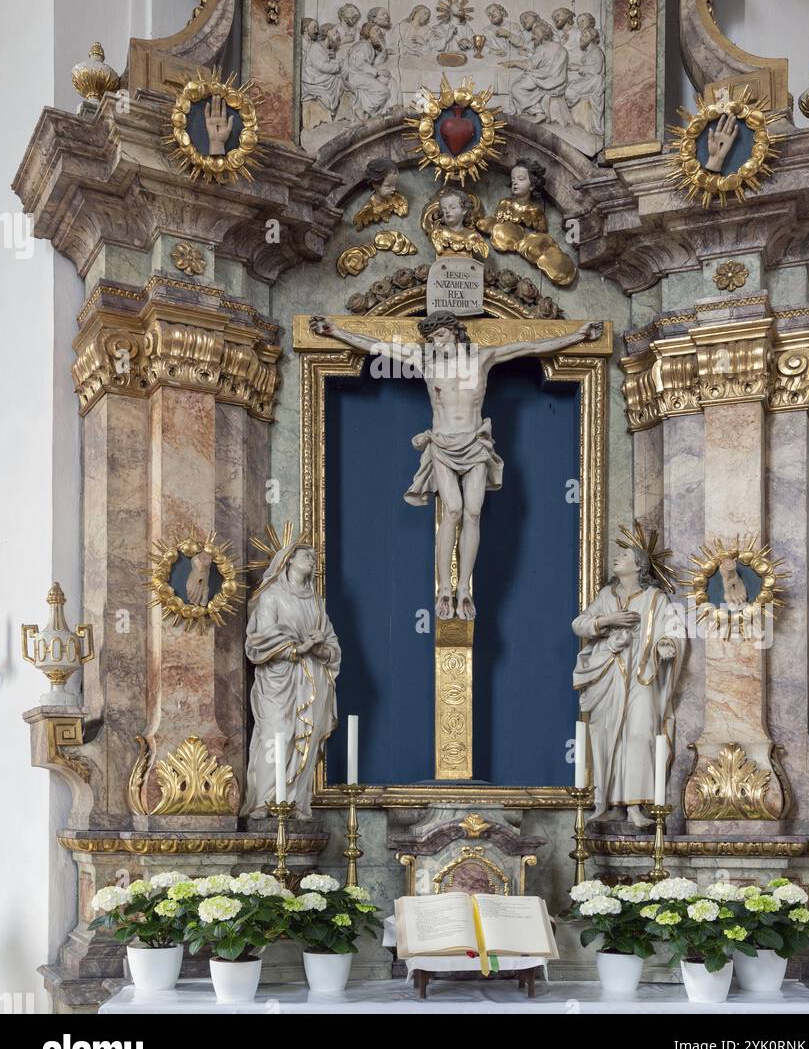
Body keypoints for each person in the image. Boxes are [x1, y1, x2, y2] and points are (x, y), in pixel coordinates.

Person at [311, 312, 601, 622]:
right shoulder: (426, 361)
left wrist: (578, 336)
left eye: (442, 336)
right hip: (442, 445)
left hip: (476, 445)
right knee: (452, 510)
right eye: (433, 338)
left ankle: (464, 588)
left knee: (472, 512)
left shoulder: (482, 358)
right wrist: (335, 331)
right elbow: (377, 345)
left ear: (455, 333)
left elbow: (530, 347)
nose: (438, 342)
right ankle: (444, 588)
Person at [572, 540, 686, 827]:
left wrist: (667, 645)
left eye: (624, 555)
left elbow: (671, 628)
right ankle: (609, 802)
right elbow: (579, 624)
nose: (617, 558)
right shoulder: (606, 596)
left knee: (639, 733)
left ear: (638, 566)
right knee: (608, 736)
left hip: (642, 672)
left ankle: (636, 806)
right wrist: (608, 621)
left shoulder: (655, 598)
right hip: (609, 672)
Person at [240, 535, 341, 819]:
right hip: (278, 679)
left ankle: (295, 800)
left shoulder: (316, 602)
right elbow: (257, 642)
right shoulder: (272, 597)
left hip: (312, 680)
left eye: (313, 557)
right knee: (276, 735)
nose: (313, 561)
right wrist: (299, 647)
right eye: (306, 556)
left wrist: (320, 648)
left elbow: (333, 647)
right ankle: (264, 800)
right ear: (289, 560)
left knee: (303, 740)